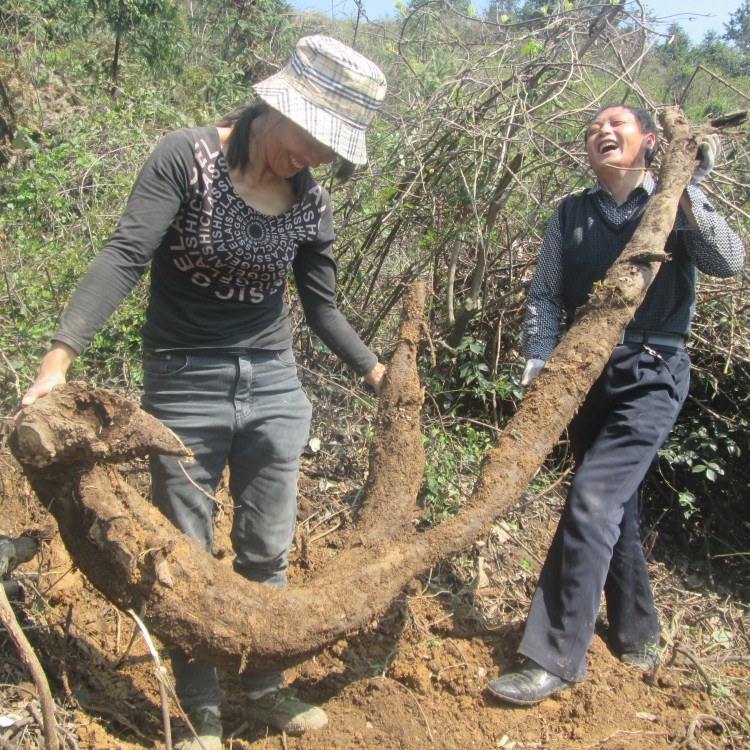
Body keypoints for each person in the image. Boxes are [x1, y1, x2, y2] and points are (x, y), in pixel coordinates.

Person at [21, 35, 387, 749]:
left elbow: (323, 310)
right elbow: (125, 255)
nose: (315, 157)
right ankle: (198, 709)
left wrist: (377, 374)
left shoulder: (311, 203)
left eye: (329, 149)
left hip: (275, 383)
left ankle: (261, 686)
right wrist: (57, 363)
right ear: (278, 105)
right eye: (313, 138)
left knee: (266, 549)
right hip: (185, 380)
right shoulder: (184, 157)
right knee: (184, 559)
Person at [487, 104, 745, 706]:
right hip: (585, 371)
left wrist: (687, 188)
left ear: (652, 141)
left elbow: (730, 262)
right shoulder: (572, 214)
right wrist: (538, 362)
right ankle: (637, 634)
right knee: (614, 506)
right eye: (594, 128)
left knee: (592, 497)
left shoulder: (674, 205)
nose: (603, 132)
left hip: (654, 372)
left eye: (618, 124)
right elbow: (546, 293)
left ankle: (552, 655)